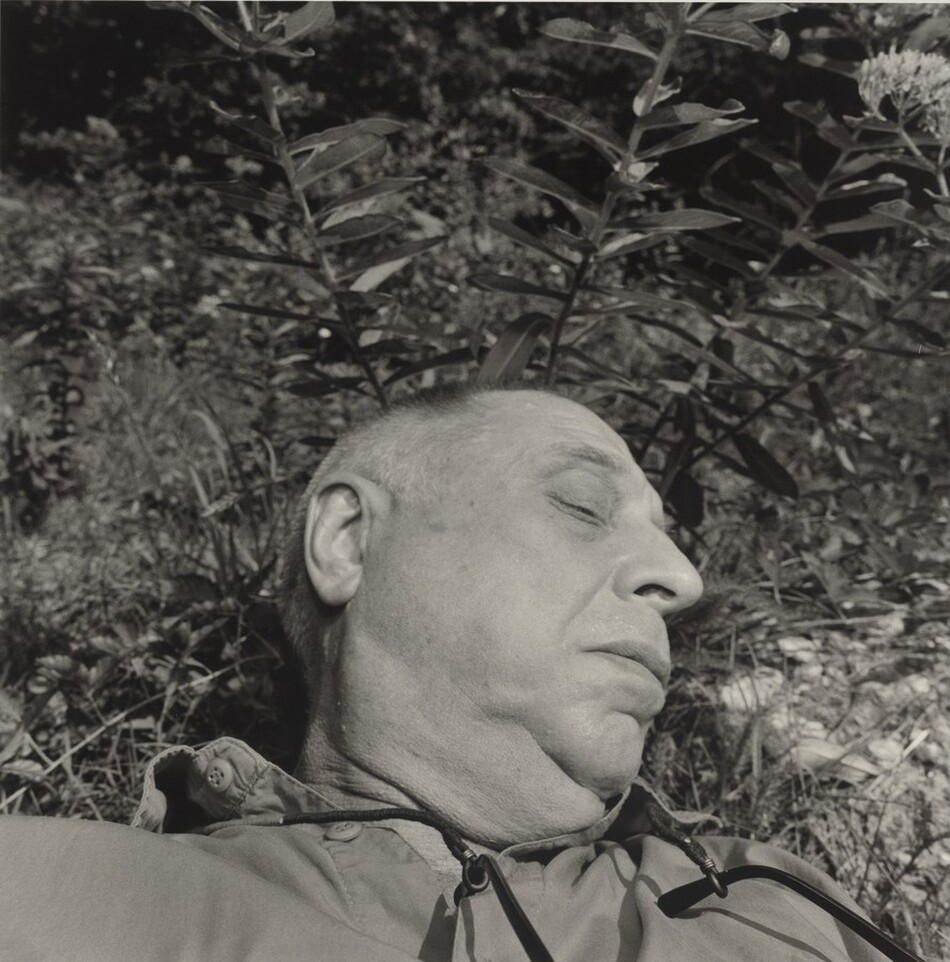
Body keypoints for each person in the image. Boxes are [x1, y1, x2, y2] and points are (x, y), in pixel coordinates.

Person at [0, 385, 903, 961]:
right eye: (582, 505)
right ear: (348, 542)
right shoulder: (51, 902)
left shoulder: (769, 902)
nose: (684, 580)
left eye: (668, 538)